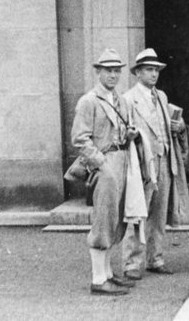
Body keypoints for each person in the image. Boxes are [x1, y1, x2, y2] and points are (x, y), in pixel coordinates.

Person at [71, 49, 145, 295]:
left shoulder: (121, 100)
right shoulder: (89, 101)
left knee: (117, 219)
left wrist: (129, 135)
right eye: (108, 71)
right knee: (103, 219)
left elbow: (122, 131)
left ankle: (109, 273)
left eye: (116, 71)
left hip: (123, 160)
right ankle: (98, 278)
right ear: (98, 72)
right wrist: (100, 163)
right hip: (104, 164)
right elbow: (79, 139)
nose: (113, 75)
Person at [121, 48, 189, 279]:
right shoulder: (128, 99)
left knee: (159, 215)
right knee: (137, 213)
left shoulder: (161, 96)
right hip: (143, 163)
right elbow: (123, 132)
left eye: (156, 70)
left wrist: (178, 127)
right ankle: (132, 263)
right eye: (149, 70)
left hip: (165, 161)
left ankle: (155, 258)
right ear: (138, 73)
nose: (154, 74)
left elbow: (167, 126)